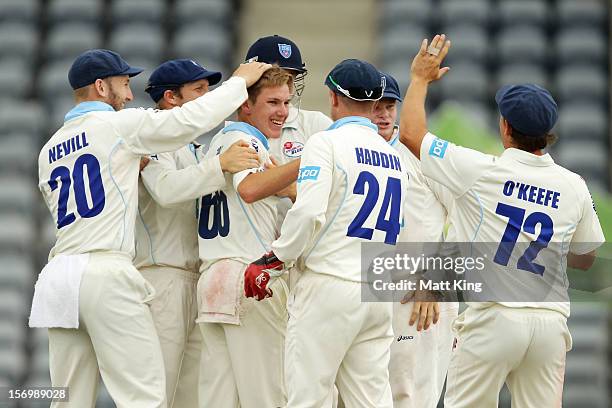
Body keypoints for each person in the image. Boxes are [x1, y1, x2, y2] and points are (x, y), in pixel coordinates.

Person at [30, 48, 270, 407]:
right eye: (124, 85)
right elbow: (188, 121)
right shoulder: (117, 126)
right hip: (106, 269)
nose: (129, 96)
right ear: (100, 86)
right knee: (145, 398)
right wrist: (240, 83)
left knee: (67, 399)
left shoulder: (48, 150)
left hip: (60, 274)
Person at [399, 35, 605, 407]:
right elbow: (586, 255)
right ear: (547, 134)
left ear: (506, 128)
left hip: (494, 319)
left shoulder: (480, 170)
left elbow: (411, 134)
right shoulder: (574, 185)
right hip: (549, 324)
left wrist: (419, 80)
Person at [245, 59, 409, 408]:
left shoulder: (325, 143)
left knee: (308, 397)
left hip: (330, 284)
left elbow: (307, 212)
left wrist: (275, 259)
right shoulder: (394, 156)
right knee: (373, 400)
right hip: (376, 290)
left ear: (334, 98)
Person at [134, 59, 260, 408]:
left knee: (192, 396)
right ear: (171, 98)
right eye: (200, 91)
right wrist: (219, 166)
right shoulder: (151, 139)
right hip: (163, 278)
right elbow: (167, 190)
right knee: (155, 394)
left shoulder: (193, 148)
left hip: (198, 279)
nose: (209, 98)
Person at [196, 67, 300, 408]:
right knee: (269, 397)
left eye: (286, 102)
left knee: (218, 399)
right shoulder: (246, 140)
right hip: (249, 276)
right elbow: (251, 189)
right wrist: (308, 160)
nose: (282, 111)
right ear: (245, 105)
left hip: (214, 276)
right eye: (272, 102)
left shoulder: (217, 145)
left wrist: (286, 185)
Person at [373, 71, 458, 408]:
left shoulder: (424, 154)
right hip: (370, 284)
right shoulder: (350, 151)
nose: (381, 113)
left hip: (420, 290)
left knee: (413, 396)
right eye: (373, 105)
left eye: (389, 105)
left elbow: (467, 220)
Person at [244, 35, 333, 237]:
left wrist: (294, 192)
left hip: (302, 254)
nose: (285, 84)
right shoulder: (232, 131)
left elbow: (342, 198)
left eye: (291, 77)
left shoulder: (317, 125)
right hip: (250, 253)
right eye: (276, 75)